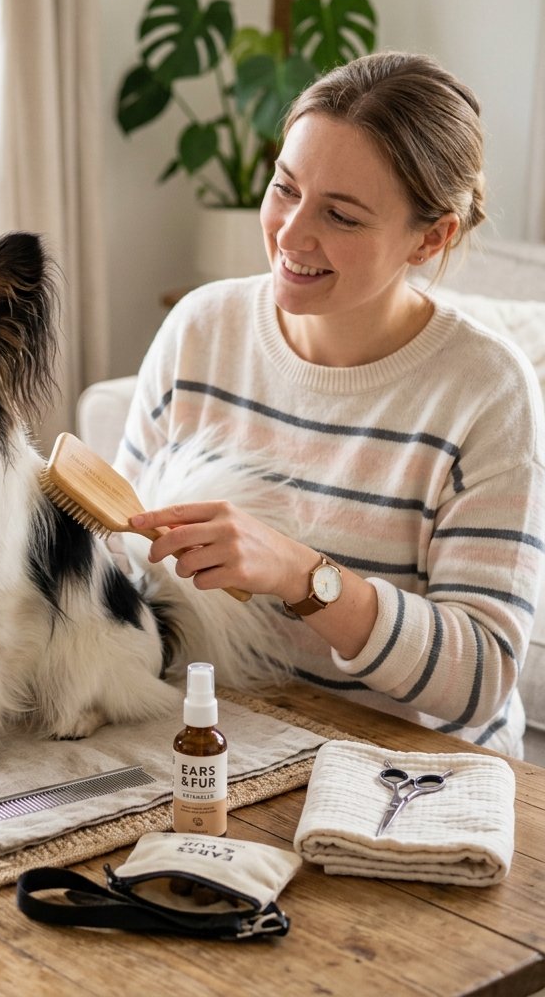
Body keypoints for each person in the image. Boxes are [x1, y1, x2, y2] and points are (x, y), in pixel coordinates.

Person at [115, 51, 544, 757]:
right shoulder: (200, 330)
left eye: (341, 216)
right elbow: (121, 558)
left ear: (433, 236)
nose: (290, 234)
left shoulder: (486, 391)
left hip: (410, 774)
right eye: (285, 187)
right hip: (228, 739)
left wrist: (298, 576)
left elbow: (481, 677)